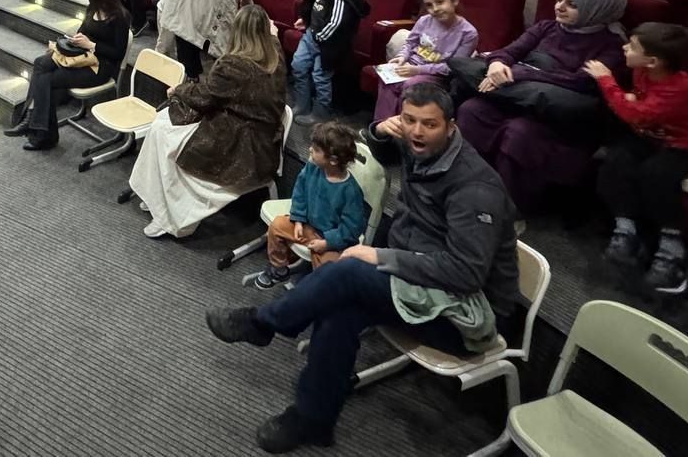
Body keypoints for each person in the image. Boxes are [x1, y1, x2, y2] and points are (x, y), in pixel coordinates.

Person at [204, 82, 520, 454]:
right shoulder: (426, 149)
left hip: (467, 314)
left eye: (429, 124)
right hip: (421, 281)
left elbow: (466, 274)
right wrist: (378, 131)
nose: (417, 131)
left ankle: (263, 324)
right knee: (341, 306)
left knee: (350, 270)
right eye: (410, 121)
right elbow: (379, 149)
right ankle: (314, 419)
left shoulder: (475, 187)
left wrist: (381, 257)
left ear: (451, 127)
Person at [450, 0, 627, 213]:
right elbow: (510, 51)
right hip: (517, 97)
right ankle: (463, 187)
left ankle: (505, 205)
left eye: (572, 5)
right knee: (472, 110)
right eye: (559, 0)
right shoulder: (546, 27)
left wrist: (519, 73)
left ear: (597, 9)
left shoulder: (612, 46)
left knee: (520, 131)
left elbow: (581, 81)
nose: (560, 8)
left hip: (556, 115)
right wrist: (497, 64)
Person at [129, 2, 287, 238]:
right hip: (263, 141)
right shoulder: (276, 55)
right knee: (166, 126)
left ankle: (170, 217)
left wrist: (178, 90)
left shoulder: (233, 65)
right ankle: (158, 199)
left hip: (240, 145)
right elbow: (271, 38)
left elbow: (205, 97)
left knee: (164, 130)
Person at [587, 23, 688, 295]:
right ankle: (626, 231)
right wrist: (633, 97)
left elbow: (634, 114)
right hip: (653, 138)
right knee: (617, 159)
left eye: (632, 46)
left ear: (653, 61)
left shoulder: (681, 88)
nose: (625, 47)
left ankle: (672, 249)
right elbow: (639, 104)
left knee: (656, 174)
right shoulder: (642, 72)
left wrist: (607, 81)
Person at [6, 0, 129, 150]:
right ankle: (34, 123)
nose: (90, 0)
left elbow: (118, 53)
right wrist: (72, 41)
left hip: (101, 68)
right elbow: (83, 31)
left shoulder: (120, 17)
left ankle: (38, 129)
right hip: (81, 58)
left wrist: (92, 45)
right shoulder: (93, 8)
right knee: (41, 62)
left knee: (47, 79)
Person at [256, 121, 367, 287]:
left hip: (330, 237)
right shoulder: (311, 167)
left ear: (333, 160)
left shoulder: (350, 191)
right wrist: (298, 219)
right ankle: (279, 269)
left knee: (330, 272)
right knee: (277, 225)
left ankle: (314, 292)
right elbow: (300, 192)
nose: (309, 150)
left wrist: (327, 243)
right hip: (307, 225)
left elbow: (351, 228)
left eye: (315, 150)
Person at [373, 0, 480, 120]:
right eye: (429, 5)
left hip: (436, 75)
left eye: (440, 2)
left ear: (454, 0)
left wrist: (417, 71)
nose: (435, 9)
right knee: (386, 75)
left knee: (412, 85)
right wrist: (402, 57)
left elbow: (452, 68)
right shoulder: (424, 20)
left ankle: (403, 128)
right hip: (411, 64)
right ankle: (382, 126)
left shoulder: (468, 33)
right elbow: (410, 43)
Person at [290, 0, 369, 124]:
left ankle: (320, 112)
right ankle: (302, 103)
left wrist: (318, 37)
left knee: (321, 77)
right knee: (297, 65)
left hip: (329, 44)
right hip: (312, 34)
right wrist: (306, 19)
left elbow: (336, 22)